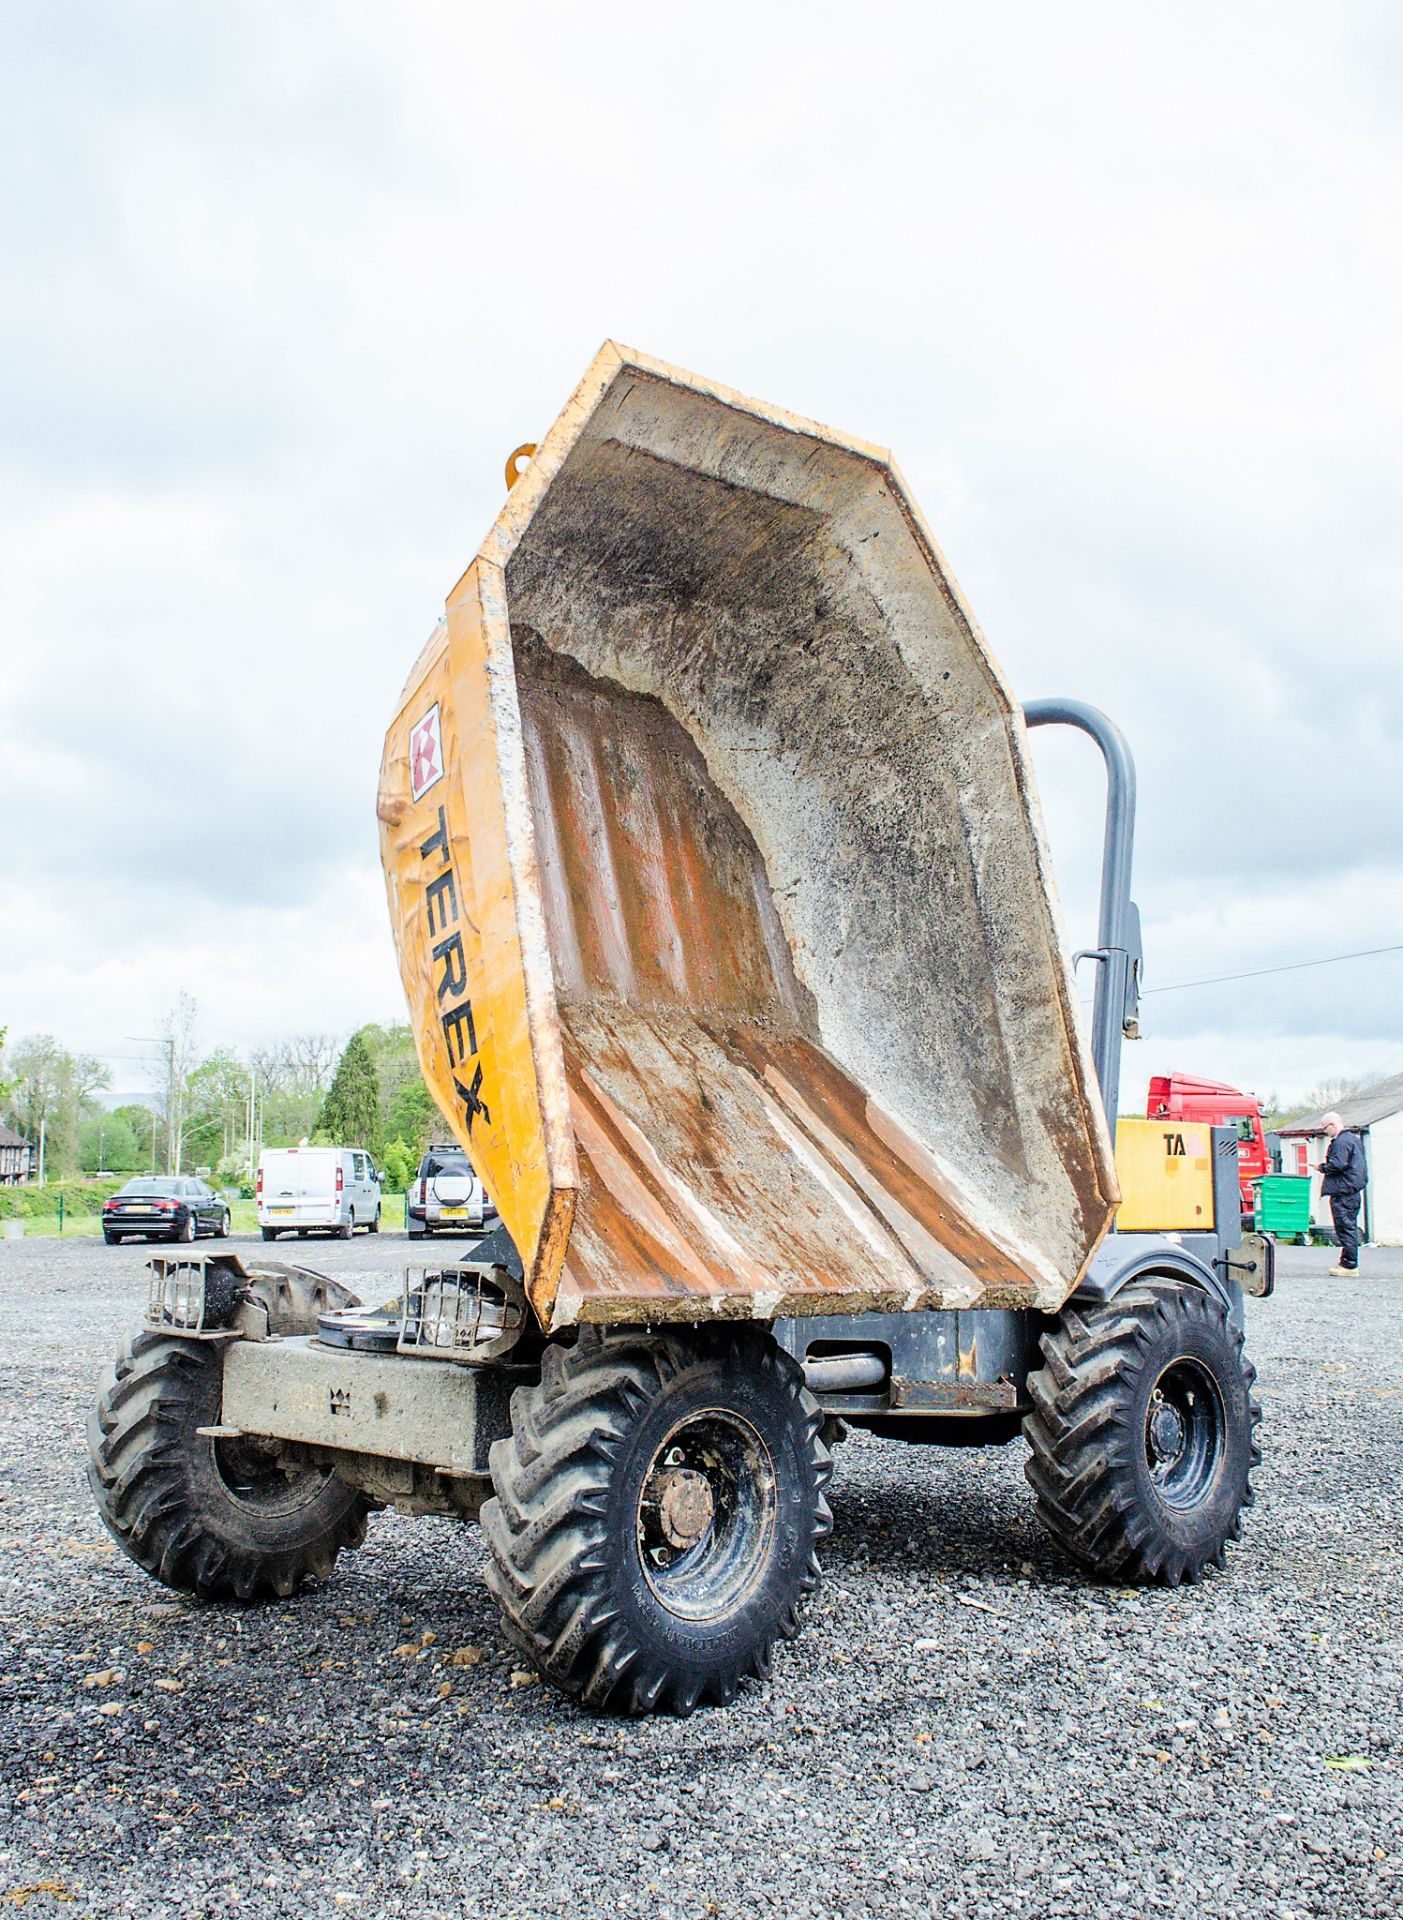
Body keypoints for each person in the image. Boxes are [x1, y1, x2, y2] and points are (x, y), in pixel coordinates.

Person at [1314, 1111, 1368, 1276]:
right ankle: (1346, 1261)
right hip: (1352, 1190)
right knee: (1348, 1226)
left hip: (1343, 1191)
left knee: (1345, 1227)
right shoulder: (1354, 1140)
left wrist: (1321, 1167)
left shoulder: (1340, 1142)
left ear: (1332, 1125)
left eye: (1325, 1128)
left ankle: (1350, 1265)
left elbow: (1337, 1164)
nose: (1325, 1132)